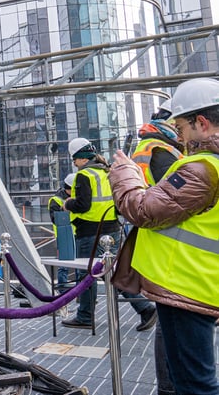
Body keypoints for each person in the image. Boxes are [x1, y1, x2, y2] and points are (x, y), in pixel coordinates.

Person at [110, 77, 219, 395]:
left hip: (188, 285)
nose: (178, 133)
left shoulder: (201, 170)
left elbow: (144, 211)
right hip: (193, 282)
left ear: (200, 122)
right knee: (182, 378)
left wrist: (125, 175)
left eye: (181, 125)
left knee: (195, 384)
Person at [60, 137, 156, 330]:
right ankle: (145, 308)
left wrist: (67, 204)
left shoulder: (84, 175)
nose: (74, 164)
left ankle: (85, 316)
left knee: (86, 275)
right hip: (112, 229)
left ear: (80, 158)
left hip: (90, 233)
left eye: (74, 160)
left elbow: (82, 205)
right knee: (111, 272)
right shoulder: (108, 171)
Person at [128, 99, 184, 395]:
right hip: (169, 242)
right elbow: (179, 197)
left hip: (163, 239)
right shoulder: (159, 149)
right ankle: (169, 388)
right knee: (171, 321)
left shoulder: (157, 146)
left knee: (171, 320)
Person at [47, 173, 75, 292]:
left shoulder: (78, 197)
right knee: (63, 265)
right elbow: (55, 219)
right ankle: (63, 292)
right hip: (64, 235)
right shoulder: (56, 200)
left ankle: (82, 293)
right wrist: (64, 208)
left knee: (82, 267)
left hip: (79, 233)